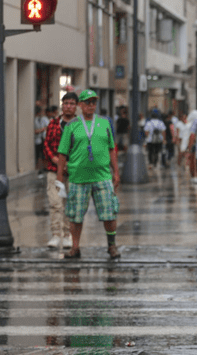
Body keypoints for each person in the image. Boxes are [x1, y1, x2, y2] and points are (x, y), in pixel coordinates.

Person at [56, 89, 121, 259]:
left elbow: (111, 149)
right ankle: (75, 247)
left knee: (109, 213)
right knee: (75, 216)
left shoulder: (104, 123)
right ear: (80, 105)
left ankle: (112, 245)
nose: (91, 105)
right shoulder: (72, 126)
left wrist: (116, 172)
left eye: (94, 102)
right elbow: (62, 154)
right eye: (88, 102)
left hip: (102, 176)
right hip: (78, 177)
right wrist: (59, 179)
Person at [43, 93, 78, 249]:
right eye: (66, 103)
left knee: (71, 204)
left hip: (74, 171)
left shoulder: (80, 124)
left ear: (76, 106)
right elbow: (47, 145)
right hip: (53, 169)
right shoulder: (54, 124)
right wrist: (56, 160)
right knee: (55, 203)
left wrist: (70, 164)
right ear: (62, 105)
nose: (68, 106)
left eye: (71, 103)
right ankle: (56, 234)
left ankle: (68, 235)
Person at [35, 105, 49, 173]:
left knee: (42, 155)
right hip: (36, 141)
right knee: (37, 156)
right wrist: (43, 129)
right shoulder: (35, 120)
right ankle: (37, 169)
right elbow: (34, 131)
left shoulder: (39, 119)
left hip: (40, 140)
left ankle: (41, 169)